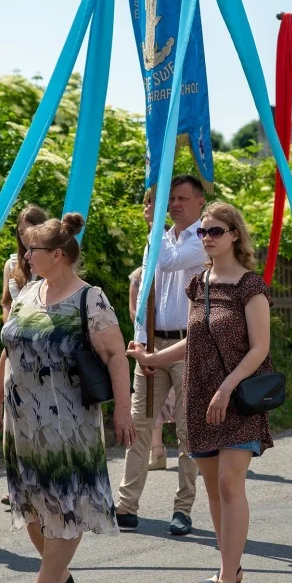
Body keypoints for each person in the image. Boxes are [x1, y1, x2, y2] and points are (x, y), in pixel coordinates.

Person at [0, 213, 136, 583]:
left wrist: (123, 409)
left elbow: (115, 357)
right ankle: (58, 572)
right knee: (31, 500)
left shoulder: (91, 298)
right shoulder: (28, 292)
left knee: (63, 501)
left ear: (58, 254)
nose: (26, 255)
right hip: (22, 420)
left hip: (66, 421)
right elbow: (10, 347)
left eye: (33, 249)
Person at [129, 202, 274, 583]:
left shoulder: (251, 287)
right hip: (201, 396)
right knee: (213, 490)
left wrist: (227, 387)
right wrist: (153, 359)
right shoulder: (201, 283)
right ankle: (231, 566)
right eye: (202, 232)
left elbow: (260, 348)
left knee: (230, 484)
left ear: (234, 236)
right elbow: (193, 340)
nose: (206, 237)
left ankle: (227, 580)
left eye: (215, 231)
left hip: (237, 398)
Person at [116, 175, 208, 537]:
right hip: (154, 344)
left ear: (200, 201)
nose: (175, 205)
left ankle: (183, 508)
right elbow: (145, 293)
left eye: (183, 198)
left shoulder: (204, 239)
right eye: (171, 199)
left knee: (188, 432)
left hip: (190, 347)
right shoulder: (160, 238)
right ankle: (126, 506)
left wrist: (155, 228)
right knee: (138, 427)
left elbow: (167, 263)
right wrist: (140, 344)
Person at [0, 204, 47, 507]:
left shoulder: (47, 263)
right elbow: (5, 300)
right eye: (20, 231)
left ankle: (36, 477)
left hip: (38, 343)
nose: (24, 237)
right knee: (13, 413)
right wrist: (8, 327)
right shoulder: (11, 263)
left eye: (29, 231)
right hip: (14, 342)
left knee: (36, 412)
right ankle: (16, 480)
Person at [129, 265, 176, 471]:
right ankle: (156, 450)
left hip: (177, 342)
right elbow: (134, 309)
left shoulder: (181, 267)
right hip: (151, 340)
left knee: (181, 402)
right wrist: (144, 330)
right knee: (150, 402)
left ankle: (196, 454)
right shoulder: (140, 275)